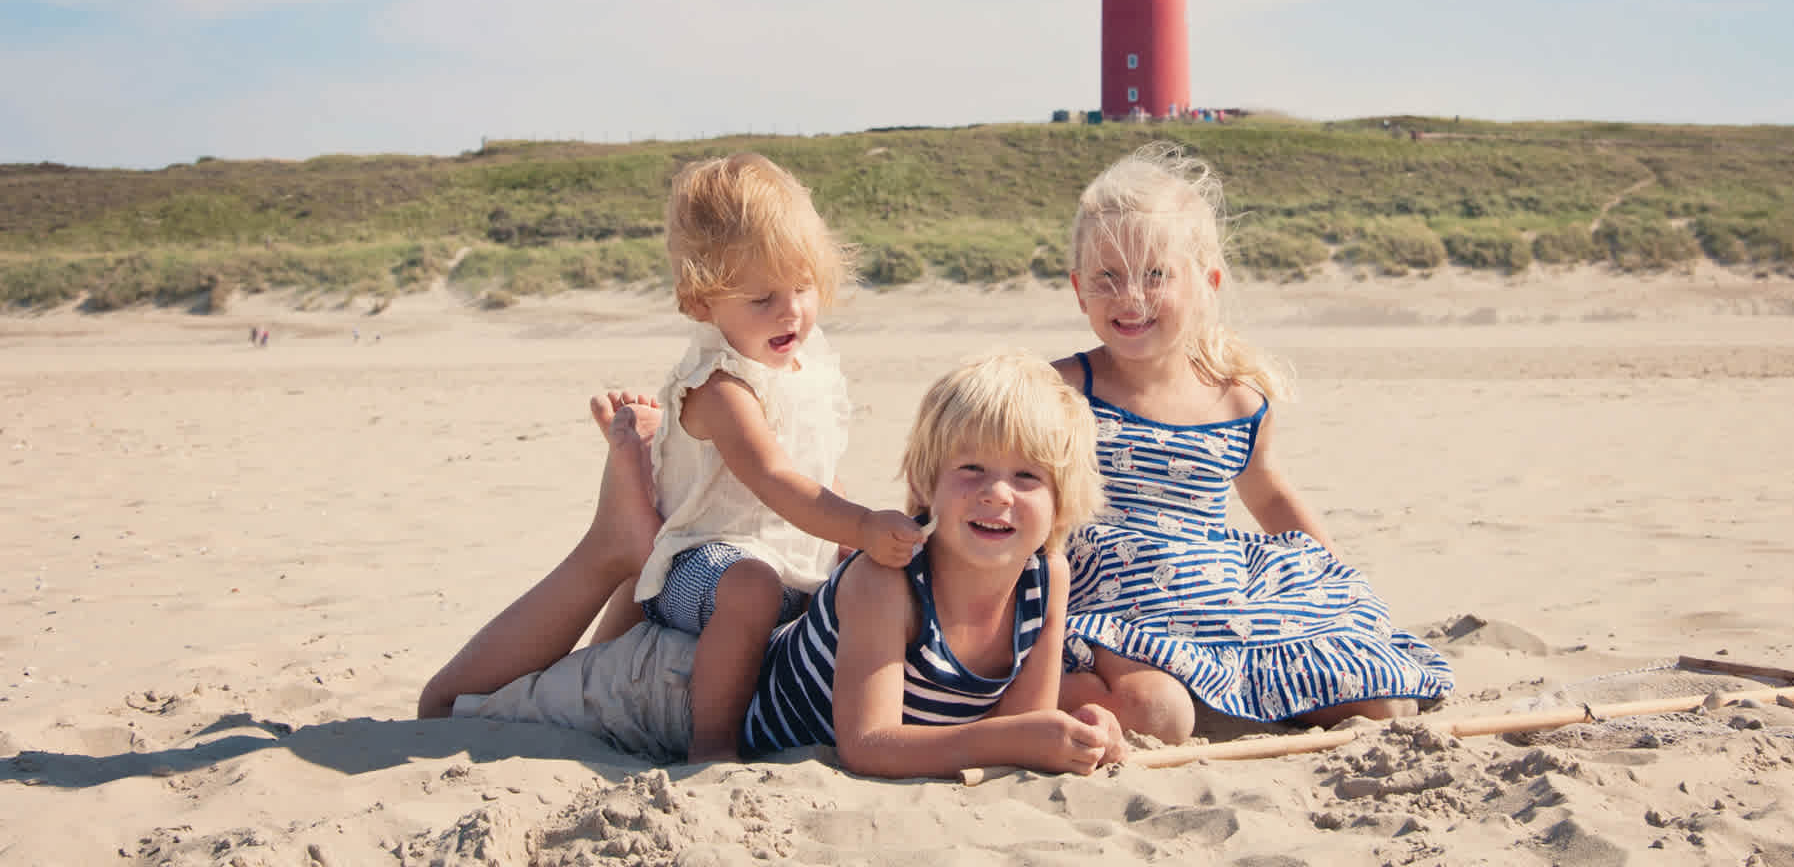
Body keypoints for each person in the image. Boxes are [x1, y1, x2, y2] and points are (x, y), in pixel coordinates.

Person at [420, 153, 925, 762]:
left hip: (792, 555)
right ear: (702, 303)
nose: (791, 311)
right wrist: (862, 524)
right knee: (750, 587)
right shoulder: (721, 386)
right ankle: (711, 745)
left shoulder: (811, 363)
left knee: (853, 573)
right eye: (762, 297)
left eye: (803, 286)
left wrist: (851, 536)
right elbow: (776, 478)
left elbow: (817, 469)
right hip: (700, 566)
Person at [1053, 144, 1453, 744]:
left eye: (1156, 275)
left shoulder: (1237, 401)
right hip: (1115, 606)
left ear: (1206, 284)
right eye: (1107, 277)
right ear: (1080, 289)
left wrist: (1332, 572)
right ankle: (1030, 694)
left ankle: (1240, 694)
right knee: (1158, 717)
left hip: (1217, 597)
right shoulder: (1060, 391)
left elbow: (1268, 494)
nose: (1130, 297)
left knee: (1383, 705)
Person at [740, 351, 1126, 777]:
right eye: (972, 468)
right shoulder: (887, 580)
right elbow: (867, 746)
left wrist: (1081, 735)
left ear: (1062, 501)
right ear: (924, 483)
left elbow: (1020, 730)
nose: (997, 493)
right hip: (741, 709)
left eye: (1027, 477)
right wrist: (1018, 739)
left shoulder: (1047, 578)